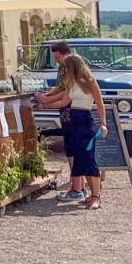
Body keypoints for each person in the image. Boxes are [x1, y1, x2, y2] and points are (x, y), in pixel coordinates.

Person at [33, 41, 87, 199]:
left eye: (57, 57)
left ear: (65, 54)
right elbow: (59, 88)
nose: (56, 60)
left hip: (71, 113)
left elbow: (65, 94)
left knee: (72, 149)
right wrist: (46, 96)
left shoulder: (70, 69)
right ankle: (78, 186)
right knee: (72, 149)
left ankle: (76, 187)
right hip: (68, 113)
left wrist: (45, 100)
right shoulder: (67, 68)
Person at [54, 52, 106, 209]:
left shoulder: (90, 82)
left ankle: (96, 196)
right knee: (80, 160)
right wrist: (43, 104)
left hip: (85, 121)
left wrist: (103, 123)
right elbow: (64, 101)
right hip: (73, 122)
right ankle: (91, 195)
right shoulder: (72, 83)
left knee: (89, 159)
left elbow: (99, 103)